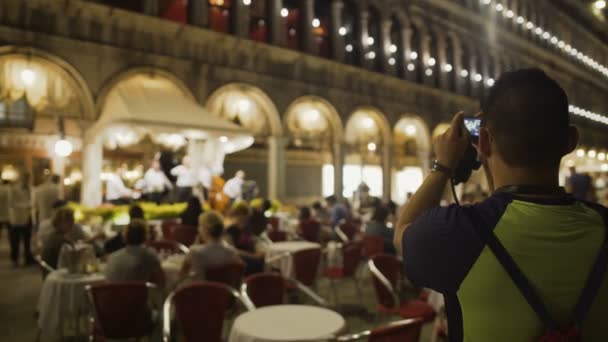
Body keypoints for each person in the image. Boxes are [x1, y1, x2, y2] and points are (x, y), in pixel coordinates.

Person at [394, 69, 608, 341]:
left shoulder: (458, 234)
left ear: (483, 142)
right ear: (571, 142)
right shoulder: (602, 226)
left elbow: (403, 231)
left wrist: (443, 166)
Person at [180, 211, 241, 280]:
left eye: (200, 226)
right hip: (223, 289)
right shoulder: (231, 252)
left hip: (199, 289)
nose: (198, 229)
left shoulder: (195, 251)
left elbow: (182, 274)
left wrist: (196, 244)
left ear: (206, 230)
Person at [105, 219, 165, 287]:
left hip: (114, 297)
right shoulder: (149, 254)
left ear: (125, 236)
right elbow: (161, 282)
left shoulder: (113, 256)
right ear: (146, 235)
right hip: (140, 296)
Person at [225, 202, 264, 275]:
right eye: (240, 213)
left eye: (245, 214)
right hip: (240, 258)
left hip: (252, 256)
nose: (243, 216)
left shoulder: (248, 228)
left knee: (263, 261)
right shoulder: (230, 230)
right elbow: (231, 249)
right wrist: (252, 256)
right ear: (236, 214)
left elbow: (254, 242)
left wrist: (258, 251)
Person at [8, 174, 34, 267]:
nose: (28, 180)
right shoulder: (14, 189)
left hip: (27, 218)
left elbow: (31, 200)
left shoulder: (30, 188)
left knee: (27, 241)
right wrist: (25, 206)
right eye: (26, 178)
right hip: (17, 219)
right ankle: (15, 260)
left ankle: (28, 258)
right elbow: (11, 203)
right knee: (15, 241)